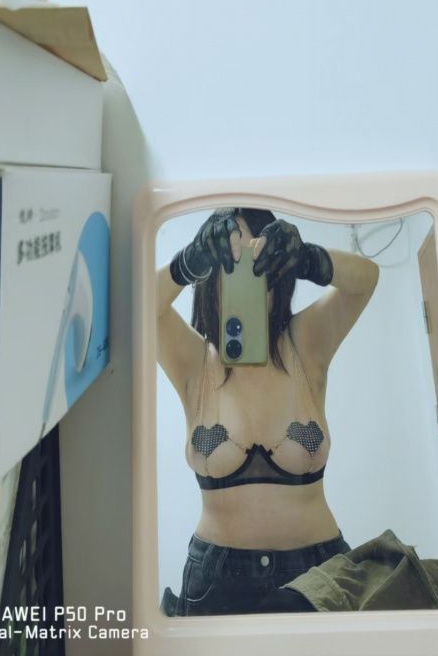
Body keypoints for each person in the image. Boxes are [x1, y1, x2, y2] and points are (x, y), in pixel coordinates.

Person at [157, 207, 379, 616]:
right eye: (230, 260)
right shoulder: (193, 362)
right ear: (211, 275)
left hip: (319, 576)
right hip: (217, 583)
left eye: (258, 259)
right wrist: (186, 262)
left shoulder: (306, 344)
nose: (246, 273)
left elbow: (366, 280)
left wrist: (309, 258)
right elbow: (136, 305)